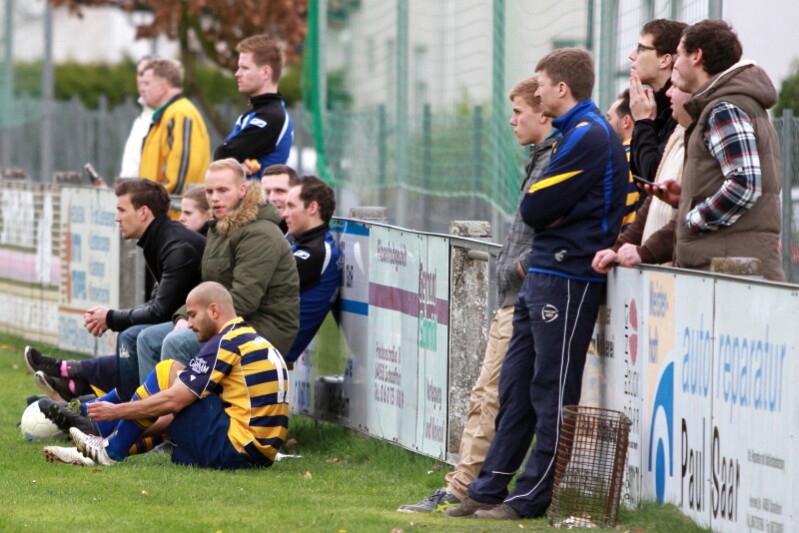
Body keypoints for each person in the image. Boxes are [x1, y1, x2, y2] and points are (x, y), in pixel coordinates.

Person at [445, 48, 627, 520]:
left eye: (541, 85)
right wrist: (552, 213)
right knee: (515, 387)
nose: (537, 92)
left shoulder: (589, 134)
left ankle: (531, 496)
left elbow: (535, 208)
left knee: (551, 389)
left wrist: (556, 214)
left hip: (567, 276)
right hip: (543, 272)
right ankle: (489, 488)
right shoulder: (570, 133)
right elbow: (538, 207)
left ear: (561, 88)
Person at [398, 75, 558, 514]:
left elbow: (560, 225)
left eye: (519, 112)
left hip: (528, 292)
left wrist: (522, 265)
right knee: (492, 395)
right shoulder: (542, 156)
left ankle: (464, 487)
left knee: (491, 395)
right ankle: (475, 485)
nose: (511, 121)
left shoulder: (560, 156)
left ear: (544, 112)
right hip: (519, 292)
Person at [46, 282, 289, 470]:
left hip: (237, 449)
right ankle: (95, 445)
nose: (190, 324)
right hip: (257, 453)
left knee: (167, 372)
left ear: (214, 310)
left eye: (192, 314)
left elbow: (173, 401)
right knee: (174, 407)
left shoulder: (226, 343)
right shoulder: (251, 339)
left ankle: (108, 447)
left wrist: (117, 411)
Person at [26, 179, 205, 410]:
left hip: (200, 329)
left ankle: (132, 415)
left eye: (121, 210)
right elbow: (158, 304)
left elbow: (160, 311)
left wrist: (110, 318)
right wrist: (112, 318)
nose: (116, 218)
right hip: (183, 322)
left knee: (135, 337)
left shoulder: (177, 246)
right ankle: (86, 400)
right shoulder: (160, 240)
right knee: (131, 336)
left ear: (143, 212)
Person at [136, 158, 299, 381]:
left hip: (261, 329)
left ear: (242, 190)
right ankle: (148, 401)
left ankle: (177, 403)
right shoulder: (219, 226)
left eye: (222, 190)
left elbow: (244, 301)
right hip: (222, 319)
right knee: (145, 339)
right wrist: (184, 316)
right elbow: (208, 289)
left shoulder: (260, 233)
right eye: (210, 191)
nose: (214, 197)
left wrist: (195, 321)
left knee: (177, 342)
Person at [647, 20, 785, 281]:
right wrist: (687, 197)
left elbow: (745, 184)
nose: (675, 63)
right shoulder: (728, 104)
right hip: (730, 270)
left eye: (680, 53)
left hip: (728, 274)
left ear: (696, 56)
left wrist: (693, 220)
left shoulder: (724, 109)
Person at [593, 83, 692, 273]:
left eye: (676, 85)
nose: (668, 92)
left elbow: (696, 211)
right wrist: (620, 247)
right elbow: (653, 196)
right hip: (656, 265)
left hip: (674, 270)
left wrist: (644, 122)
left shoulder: (620, 157)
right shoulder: (679, 132)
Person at [281, 175, 342, 363]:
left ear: (312, 208)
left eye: (291, 206)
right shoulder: (302, 245)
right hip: (260, 343)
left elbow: (259, 285)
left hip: (269, 349)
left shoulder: (319, 253)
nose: (284, 214)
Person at [215, 35, 294, 179]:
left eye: (244, 68)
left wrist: (232, 163)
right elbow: (224, 157)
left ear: (265, 72)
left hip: (258, 194)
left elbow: (222, 154)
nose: (237, 74)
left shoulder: (272, 117)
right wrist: (237, 165)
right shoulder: (254, 114)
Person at [139, 58, 211, 195]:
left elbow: (182, 176)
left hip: (173, 207)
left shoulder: (181, 113)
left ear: (163, 86)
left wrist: (160, 202)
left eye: (147, 83)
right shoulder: (166, 115)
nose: (142, 89)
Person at [628, 19, 687, 182]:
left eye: (641, 49)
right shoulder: (654, 107)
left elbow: (653, 175)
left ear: (664, 60)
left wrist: (643, 121)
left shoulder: (681, 112)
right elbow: (640, 178)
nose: (632, 56)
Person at [606, 89, 640, 227]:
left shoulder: (619, 160)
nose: (605, 124)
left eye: (609, 118)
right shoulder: (643, 155)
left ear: (626, 122)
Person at [119, 55, 157, 178]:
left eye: (147, 75)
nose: (142, 80)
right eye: (140, 74)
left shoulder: (164, 119)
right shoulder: (139, 121)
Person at [262, 163, 299, 233]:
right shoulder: (248, 231)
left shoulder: (310, 234)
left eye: (280, 191)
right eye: (267, 192)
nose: (271, 198)